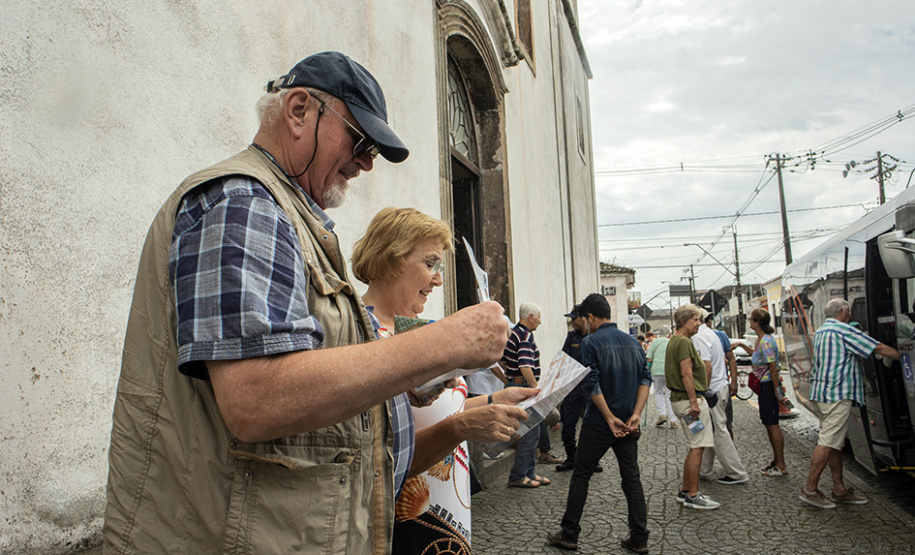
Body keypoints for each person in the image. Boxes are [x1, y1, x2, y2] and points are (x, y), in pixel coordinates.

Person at [103, 52, 510, 554]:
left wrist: (410, 385)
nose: (366, 162)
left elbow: (313, 378)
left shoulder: (289, 214)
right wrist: (441, 344)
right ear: (299, 111)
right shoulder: (246, 204)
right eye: (361, 140)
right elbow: (255, 398)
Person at [351, 206, 535, 552]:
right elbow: (379, 458)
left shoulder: (423, 333)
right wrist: (460, 428)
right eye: (430, 263)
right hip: (404, 526)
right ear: (391, 258)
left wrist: (497, 400)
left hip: (450, 516)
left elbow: (438, 409)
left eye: (440, 267)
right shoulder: (360, 339)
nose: (438, 279)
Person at [547, 293, 651, 554]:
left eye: (584, 319)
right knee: (632, 479)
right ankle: (639, 536)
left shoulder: (590, 342)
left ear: (590, 317)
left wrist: (608, 418)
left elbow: (590, 383)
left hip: (600, 423)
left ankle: (569, 534)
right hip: (629, 422)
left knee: (581, 475)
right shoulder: (633, 342)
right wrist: (636, 414)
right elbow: (645, 379)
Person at [800, 298, 900, 509]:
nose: (851, 315)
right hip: (837, 395)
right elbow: (878, 348)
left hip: (821, 394)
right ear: (843, 311)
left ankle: (839, 490)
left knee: (835, 442)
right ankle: (810, 489)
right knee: (828, 442)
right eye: (849, 311)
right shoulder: (844, 331)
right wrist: (905, 355)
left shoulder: (822, 331)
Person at [665, 304, 719, 510]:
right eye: (695, 320)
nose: (699, 324)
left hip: (681, 401)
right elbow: (686, 373)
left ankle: (686, 490)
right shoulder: (684, 342)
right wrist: (695, 403)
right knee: (697, 446)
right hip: (690, 403)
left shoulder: (675, 341)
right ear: (683, 321)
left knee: (695, 444)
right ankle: (693, 495)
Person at [693, 310, 749, 485]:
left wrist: (702, 390)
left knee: (718, 431)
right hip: (720, 386)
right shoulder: (711, 334)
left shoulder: (699, 337)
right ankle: (704, 469)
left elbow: (706, 366)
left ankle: (736, 472)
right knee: (712, 429)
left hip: (712, 390)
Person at [503, 303, 551, 488]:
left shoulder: (515, 333)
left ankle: (529, 471)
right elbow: (524, 366)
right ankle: (518, 475)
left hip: (518, 385)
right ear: (530, 316)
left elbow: (504, 361)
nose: (539, 321)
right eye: (538, 317)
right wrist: (535, 389)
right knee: (529, 433)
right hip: (524, 388)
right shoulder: (524, 336)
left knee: (535, 431)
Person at [738, 307, 790, 477]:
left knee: (772, 424)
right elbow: (756, 356)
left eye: (751, 319)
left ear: (757, 322)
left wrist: (777, 391)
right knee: (768, 423)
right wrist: (741, 344)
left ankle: (781, 465)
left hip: (768, 386)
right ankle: (776, 460)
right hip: (764, 386)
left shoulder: (766, 341)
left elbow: (773, 368)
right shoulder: (761, 340)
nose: (749, 321)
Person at [555, 305, 603, 473]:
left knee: (592, 424)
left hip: (591, 387)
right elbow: (564, 360)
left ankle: (592, 459)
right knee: (568, 424)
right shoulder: (571, 337)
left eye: (574, 318)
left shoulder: (595, 337)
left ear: (583, 318)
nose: (572, 322)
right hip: (573, 387)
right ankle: (571, 457)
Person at [645, 326, 677, 429]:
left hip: (657, 370)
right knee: (669, 394)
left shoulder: (655, 342)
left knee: (658, 392)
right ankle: (673, 420)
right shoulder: (671, 342)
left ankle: (662, 414)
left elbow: (649, 358)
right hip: (669, 370)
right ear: (669, 333)